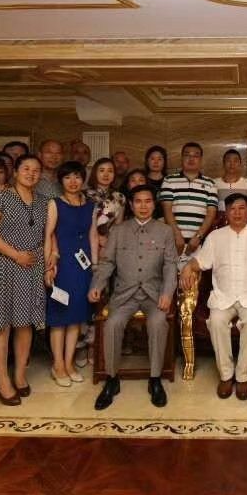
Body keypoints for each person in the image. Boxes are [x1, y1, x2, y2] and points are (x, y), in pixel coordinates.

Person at [181, 193, 247, 400]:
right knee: (216, 322)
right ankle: (226, 375)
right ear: (226, 212)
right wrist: (188, 267)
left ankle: (242, 376)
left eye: (242, 208)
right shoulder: (215, 236)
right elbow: (200, 262)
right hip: (223, 295)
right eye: (232, 209)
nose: (237, 213)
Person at [89, 185, 178, 410]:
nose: (143, 206)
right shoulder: (119, 231)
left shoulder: (165, 231)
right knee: (112, 324)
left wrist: (167, 293)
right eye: (138, 201)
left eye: (148, 201)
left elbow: (170, 266)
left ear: (154, 204)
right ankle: (111, 380)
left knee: (158, 323)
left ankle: (155, 379)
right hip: (124, 294)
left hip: (154, 294)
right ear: (131, 205)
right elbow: (107, 262)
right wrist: (97, 285)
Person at [0, 154, 48, 406]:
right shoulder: (0, 197)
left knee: (25, 322)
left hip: (32, 266)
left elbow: (47, 234)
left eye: (36, 170)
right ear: (16, 172)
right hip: (4, 264)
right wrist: (15, 255)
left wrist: (47, 259)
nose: (31, 173)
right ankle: (1, 378)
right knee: (2, 324)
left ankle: (20, 374)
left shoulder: (43, 201)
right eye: (26, 168)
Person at [44, 161, 97, 386]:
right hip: (62, 264)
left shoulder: (90, 205)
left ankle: (69, 363)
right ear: (61, 181)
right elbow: (48, 235)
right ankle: (58, 365)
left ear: (83, 179)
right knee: (59, 318)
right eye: (67, 177)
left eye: (77, 177)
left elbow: (93, 235)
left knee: (76, 317)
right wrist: (48, 266)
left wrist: (95, 265)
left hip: (83, 266)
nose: (73, 182)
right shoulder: (55, 203)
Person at [160, 142, 218, 255]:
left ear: (201, 160)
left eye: (196, 155)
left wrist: (198, 237)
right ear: (181, 158)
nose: (191, 159)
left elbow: (211, 213)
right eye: (187, 155)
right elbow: (167, 210)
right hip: (173, 242)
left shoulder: (210, 183)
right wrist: (176, 235)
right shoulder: (169, 180)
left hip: (198, 243)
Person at [87, 157, 126, 248]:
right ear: (95, 173)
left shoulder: (120, 197)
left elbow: (118, 225)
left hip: (108, 243)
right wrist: (97, 237)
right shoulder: (85, 195)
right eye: (102, 170)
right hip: (87, 240)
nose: (106, 174)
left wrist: (109, 242)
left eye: (110, 171)